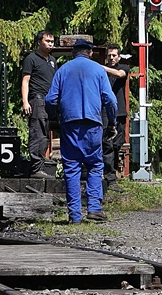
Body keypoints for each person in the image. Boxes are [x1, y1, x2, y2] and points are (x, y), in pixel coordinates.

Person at [45, 38, 118, 223]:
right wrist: (112, 123)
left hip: (69, 125)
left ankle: (74, 216)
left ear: (73, 52)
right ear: (91, 53)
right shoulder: (98, 70)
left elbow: (50, 100)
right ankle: (94, 209)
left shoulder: (63, 70)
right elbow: (111, 100)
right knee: (94, 165)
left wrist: (54, 118)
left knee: (71, 168)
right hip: (93, 124)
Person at [20, 30, 57, 179]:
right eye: (47, 41)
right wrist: (25, 101)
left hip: (51, 102)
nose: (50, 44)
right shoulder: (31, 59)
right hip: (37, 100)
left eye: (52, 42)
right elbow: (25, 81)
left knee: (46, 135)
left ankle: (43, 165)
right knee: (37, 134)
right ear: (39, 42)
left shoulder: (53, 60)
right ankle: (36, 168)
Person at [99, 44, 132, 192]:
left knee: (117, 144)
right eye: (109, 55)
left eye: (114, 55)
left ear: (119, 56)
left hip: (119, 112)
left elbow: (120, 75)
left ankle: (112, 173)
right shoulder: (101, 72)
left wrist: (102, 68)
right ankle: (110, 178)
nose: (111, 58)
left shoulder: (123, 68)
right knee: (107, 145)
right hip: (105, 112)